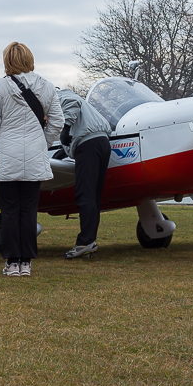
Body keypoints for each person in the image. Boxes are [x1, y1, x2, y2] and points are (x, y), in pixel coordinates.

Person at [0, 42, 63, 277]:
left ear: (7, 61)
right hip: (35, 156)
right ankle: (26, 262)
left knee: (9, 210)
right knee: (29, 210)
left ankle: (12, 262)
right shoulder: (46, 86)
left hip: (6, 154)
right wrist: (43, 142)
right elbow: (58, 121)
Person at [57, 88, 113, 259]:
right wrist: (64, 151)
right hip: (102, 143)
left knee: (84, 194)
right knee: (94, 196)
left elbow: (73, 104)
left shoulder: (59, 97)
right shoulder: (78, 102)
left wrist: (65, 129)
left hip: (88, 145)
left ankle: (85, 242)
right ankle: (90, 241)